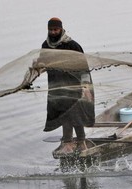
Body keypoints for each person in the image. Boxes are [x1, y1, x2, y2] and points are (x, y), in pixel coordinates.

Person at [39, 17, 95, 158]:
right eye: (50, 30)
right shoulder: (45, 46)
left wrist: (86, 87)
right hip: (56, 87)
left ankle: (80, 142)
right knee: (64, 115)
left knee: (75, 114)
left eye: (55, 29)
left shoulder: (72, 45)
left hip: (74, 86)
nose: (53, 32)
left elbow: (83, 68)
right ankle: (68, 143)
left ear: (61, 29)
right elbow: (43, 63)